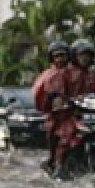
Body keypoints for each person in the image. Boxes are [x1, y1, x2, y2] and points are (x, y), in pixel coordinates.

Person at [43, 38, 95, 180]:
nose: (85, 58)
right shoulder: (64, 74)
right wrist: (59, 100)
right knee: (60, 133)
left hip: (91, 117)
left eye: (88, 55)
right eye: (82, 55)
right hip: (69, 116)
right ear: (74, 56)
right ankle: (57, 163)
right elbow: (55, 90)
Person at [32, 39, 70, 175]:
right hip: (56, 115)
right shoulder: (47, 76)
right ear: (52, 58)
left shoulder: (75, 72)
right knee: (55, 133)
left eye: (63, 55)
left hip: (76, 113)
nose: (60, 59)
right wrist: (50, 100)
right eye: (57, 56)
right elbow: (38, 97)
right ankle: (55, 162)